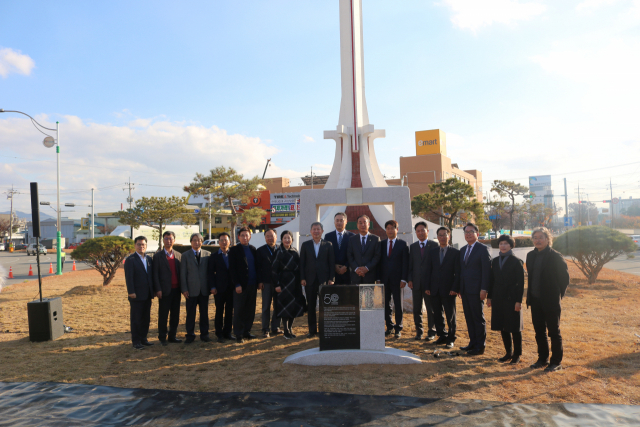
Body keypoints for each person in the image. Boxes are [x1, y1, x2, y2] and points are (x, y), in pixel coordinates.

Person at [526, 227, 569, 372]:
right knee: (539, 332)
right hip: (535, 300)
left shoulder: (555, 256)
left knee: (553, 332)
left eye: (540, 237)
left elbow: (564, 278)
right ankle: (542, 359)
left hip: (550, 300)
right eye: (535, 237)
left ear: (547, 239)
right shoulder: (530, 255)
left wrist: (557, 295)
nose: (537, 240)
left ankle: (556, 362)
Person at [487, 234, 525, 364]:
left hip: (512, 298)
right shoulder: (495, 261)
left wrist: (518, 301)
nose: (503, 246)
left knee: (514, 327)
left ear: (511, 245)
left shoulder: (517, 261)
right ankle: (508, 352)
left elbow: (521, 283)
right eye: (501, 243)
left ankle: (517, 354)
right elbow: (491, 281)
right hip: (498, 297)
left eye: (506, 244)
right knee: (502, 326)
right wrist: (490, 297)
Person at [458, 223, 491, 356]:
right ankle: (472, 343)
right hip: (465, 290)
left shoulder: (483, 249)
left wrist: (484, 289)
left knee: (478, 318)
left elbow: (486, 271)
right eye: (466, 232)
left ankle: (480, 346)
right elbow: (461, 271)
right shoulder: (462, 250)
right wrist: (460, 288)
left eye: (471, 231)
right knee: (469, 317)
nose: (468, 234)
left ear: (477, 233)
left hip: (477, 290)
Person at [425, 226, 460, 349]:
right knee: (437, 314)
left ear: (449, 236)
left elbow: (458, 273)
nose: (442, 237)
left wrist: (455, 288)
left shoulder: (455, 252)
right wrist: (427, 286)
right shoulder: (433, 252)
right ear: (437, 237)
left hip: (449, 289)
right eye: (440, 235)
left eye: (445, 235)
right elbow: (428, 270)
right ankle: (442, 335)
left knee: (450, 315)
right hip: (434, 289)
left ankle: (451, 338)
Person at [299, 221, 335, 338]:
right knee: (311, 306)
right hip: (309, 280)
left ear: (322, 231)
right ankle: (312, 330)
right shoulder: (305, 245)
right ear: (310, 231)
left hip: (324, 280)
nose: (316, 231)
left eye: (318, 229)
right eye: (314, 229)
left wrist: (331, 278)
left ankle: (324, 329)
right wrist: (302, 278)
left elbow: (331, 263)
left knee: (325, 307)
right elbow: (302, 263)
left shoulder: (328, 244)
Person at [377, 220, 409, 338]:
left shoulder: (403, 244)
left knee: (398, 304)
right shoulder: (381, 244)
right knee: (386, 304)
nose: (390, 230)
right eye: (388, 228)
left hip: (398, 280)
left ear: (397, 230)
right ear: (386, 230)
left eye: (392, 228)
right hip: (384, 280)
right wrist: (378, 278)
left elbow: (405, 263)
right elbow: (379, 263)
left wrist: (404, 279)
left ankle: (398, 328)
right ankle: (389, 326)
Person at [229, 227, 262, 343]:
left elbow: (257, 267)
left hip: (252, 285)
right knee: (239, 310)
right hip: (240, 286)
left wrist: (259, 282)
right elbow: (232, 270)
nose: (244, 237)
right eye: (242, 235)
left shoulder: (253, 249)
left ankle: (247, 331)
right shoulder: (234, 250)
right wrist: (237, 284)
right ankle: (238, 334)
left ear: (250, 236)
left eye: (246, 235)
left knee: (250, 309)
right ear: (238, 237)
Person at [408, 221, 439, 341]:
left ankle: (432, 331)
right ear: (415, 233)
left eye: (422, 230)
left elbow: (436, 267)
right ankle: (419, 331)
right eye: (418, 231)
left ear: (427, 231)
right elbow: (411, 265)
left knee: (430, 309)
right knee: (416, 308)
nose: (420, 233)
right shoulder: (413, 246)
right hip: (415, 283)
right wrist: (410, 279)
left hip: (429, 284)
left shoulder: (434, 245)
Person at [272, 230, 305, 339]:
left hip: (295, 282)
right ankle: (285, 330)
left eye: (289, 238)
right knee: (285, 307)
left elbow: (300, 267)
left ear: (292, 239)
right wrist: (276, 284)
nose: (287, 240)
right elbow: (274, 270)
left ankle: (290, 329)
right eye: (285, 238)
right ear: (281, 239)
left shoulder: (295, 251)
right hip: (283, 282)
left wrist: (301, 279)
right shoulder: (278, 252)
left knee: (293, 307)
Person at [153, 231, 183, 346]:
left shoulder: (179, 255)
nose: (168, 241)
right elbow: (155, 274)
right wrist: (158, 289)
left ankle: (172, 336)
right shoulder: (157, 256)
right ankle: (162, 337)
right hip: (164, 291)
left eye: (170, 238)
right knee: (163, 315)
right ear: (163, 240)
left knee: (175, 314)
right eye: (166, 238)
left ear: (174, 240)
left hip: (177, 290)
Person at [124, 236, 155, 350]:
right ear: (135, 245)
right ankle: (136, 341)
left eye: (143, 244)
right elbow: (129, 277)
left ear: (146, 246)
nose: (141, 246)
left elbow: (150, 276)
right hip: (136, 295)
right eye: (139, 244)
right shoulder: (130, 260)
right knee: (136, 319)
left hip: (147, 294)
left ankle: (144, 338)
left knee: (146, 318)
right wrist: (131, 291)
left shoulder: (149, 259)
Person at [180, 233, 211, 344]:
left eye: (198, 240)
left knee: (204, 314)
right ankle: (190, 335)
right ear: (191, 242)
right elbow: (183, 274)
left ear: (202, 242)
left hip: (204, 290)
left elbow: (209, 273)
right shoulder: (185, 255)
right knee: (190, 314)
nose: (196, 242)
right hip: (191, 290)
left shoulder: (208, 254)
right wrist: (184, 289)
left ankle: (204, 334)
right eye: (194, 240)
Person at [207, 232, 234, 343]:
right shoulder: (214, 256)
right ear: (219, 242)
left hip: (231, 288)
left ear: (229, 242)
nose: (224, 242)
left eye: (226, 240)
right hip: (219, 289)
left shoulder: (233, 254)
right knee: (219, 311)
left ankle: (228, 332)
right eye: (222, 240)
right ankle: (219, 334)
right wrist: (212, 287)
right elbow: (210, 273)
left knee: (229, 311)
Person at [257, 229, 282, 338]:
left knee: (278, 306)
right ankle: (265, 329)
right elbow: (258, 268)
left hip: (279, 283)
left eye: (272, 236)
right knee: (266, 307)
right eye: (268, 236)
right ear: (265, 238)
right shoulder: (260, 250)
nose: (270, 238)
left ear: (276, 237)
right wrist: (260, 281)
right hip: (266, 283)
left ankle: (275, 327)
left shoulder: (281, 249)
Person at [347, 215, 381, 285]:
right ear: (357, 225)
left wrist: (367, 268)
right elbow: (349, 255)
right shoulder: (352, 239)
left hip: (370, 276)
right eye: (360, 222)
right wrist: (356, 269)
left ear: (368, 224)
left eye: (364, 222)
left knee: (368, 296)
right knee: (355, 296)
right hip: (355, 276)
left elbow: (377, 256)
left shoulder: (376, 239)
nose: (362, 225)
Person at [324, 212, 355, 285]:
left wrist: (346, 266)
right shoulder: (328, 236)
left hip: (348, 273)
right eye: (337, 220)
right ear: (334, 222)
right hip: (332, 275)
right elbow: (326, 254)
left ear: (346, 222)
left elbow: (354, 254)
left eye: (341, 220)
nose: (339, 222)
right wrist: (334, 266)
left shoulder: (352, 237)